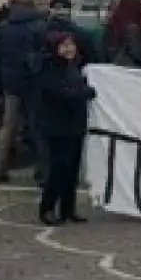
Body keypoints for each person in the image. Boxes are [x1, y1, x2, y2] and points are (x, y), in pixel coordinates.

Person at [35, 31, 96, 226]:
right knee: (58, 168)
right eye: (64, 45)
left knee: (72, 169)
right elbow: (61, 93)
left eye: (71, 45)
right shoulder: (49, 67)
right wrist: (85, 92)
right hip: (56, 125)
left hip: (75, 124)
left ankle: (68, 209)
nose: (68, 49)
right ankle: (47, 208)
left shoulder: (76, 66)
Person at [0, 0, 48, 184]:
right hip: (33, 81)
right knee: (38, 126)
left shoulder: (5, 26)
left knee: (7, 127)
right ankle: (42, 170)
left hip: (10, 81)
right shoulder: (40, 25)